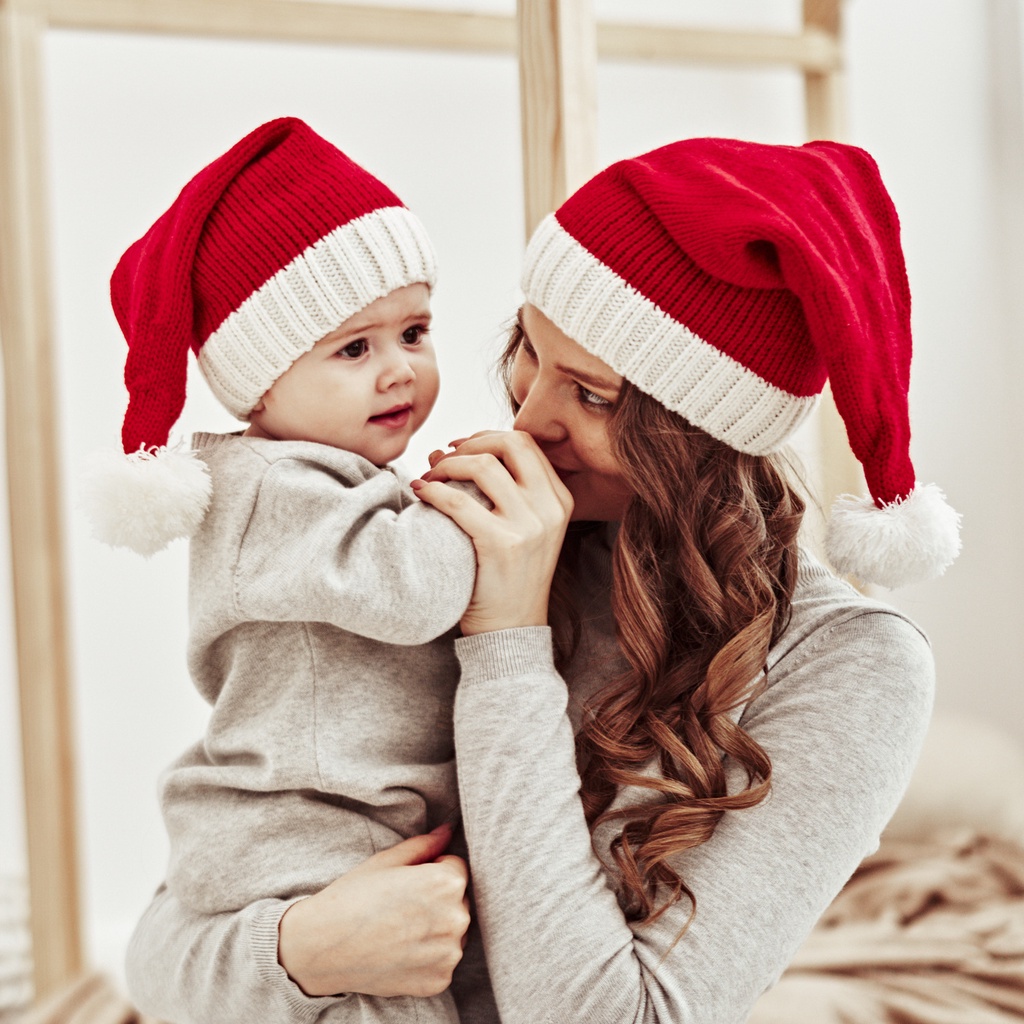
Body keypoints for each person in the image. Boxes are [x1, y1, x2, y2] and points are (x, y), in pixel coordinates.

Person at [124, 138, 961, 1024]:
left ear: (696, 432)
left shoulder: (852, 667)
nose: (528, 419)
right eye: (529, 351)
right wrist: (303, 951)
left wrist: (506, 645)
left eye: (593, 397)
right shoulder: (471, 534)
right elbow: (159, 946)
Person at [83, 117, 477, 1024]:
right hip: (301, 833)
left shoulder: (333, 479)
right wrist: (481, 508)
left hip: (346, 822)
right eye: (354, 349)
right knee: (387, 1000)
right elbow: (414, 588)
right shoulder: (274, 487)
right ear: (261, 385)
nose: (399, 373)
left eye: (415, 332)